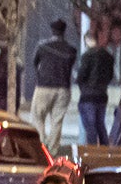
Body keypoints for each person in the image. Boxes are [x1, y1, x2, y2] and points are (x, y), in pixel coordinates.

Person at [29, 19, 78, 152]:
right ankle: (53, 148)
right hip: (63, 88)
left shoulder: (42, 46)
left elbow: (35, 62)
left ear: (52, 31)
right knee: (57, 120)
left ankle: (41, 144)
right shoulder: (71, 50)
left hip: (44, 87)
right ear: (64, 32)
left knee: (38, 115)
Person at [75, 29, 115, 147]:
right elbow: (110, 76)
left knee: (90, 125)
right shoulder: (108, 56)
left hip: (88, 95)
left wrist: (80, 83)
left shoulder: (87, 56)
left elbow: (82, 75)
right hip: (102, 94)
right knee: (100, 124)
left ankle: (92, 150)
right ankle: (104, 149)